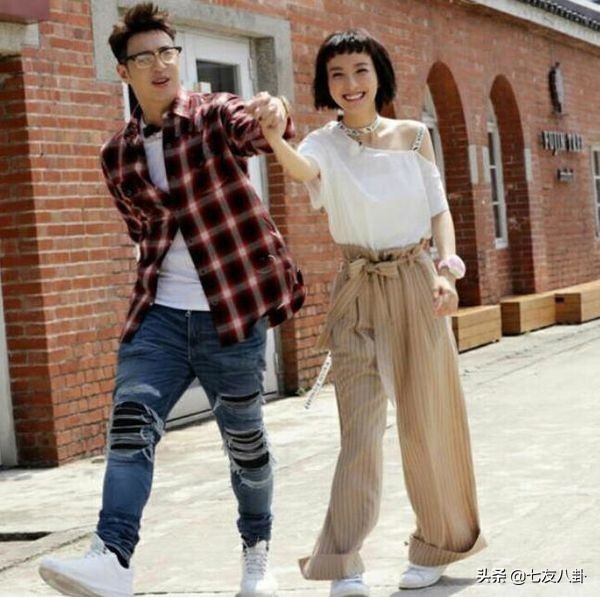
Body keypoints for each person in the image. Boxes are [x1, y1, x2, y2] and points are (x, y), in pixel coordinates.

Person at [38, 3, 304, 596]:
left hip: (230, 312)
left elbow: (257, 127)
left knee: (245, 442)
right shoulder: (117, 154)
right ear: (123, 72)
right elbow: (144, 234)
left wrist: (275, 111)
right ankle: (112, 558)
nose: (160, 65)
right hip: (159, 316)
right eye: (144, 58)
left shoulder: (212, 115)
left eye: (167, 52)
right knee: (130, 426)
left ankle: (256, 553)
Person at [251, 29, 485, 596]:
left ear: (379, 75)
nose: (349, 83)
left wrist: (447, 271)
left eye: (360, 70)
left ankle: (439, 544)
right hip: (356, 287)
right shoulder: (322, 143)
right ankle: (342, 561)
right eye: (336, 74)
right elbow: (302, 172)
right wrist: (274, 135)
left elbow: (438, 209)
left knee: (426, 424)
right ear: (325, 84)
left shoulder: (414, 136)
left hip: (415, 282)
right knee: (358, 431)